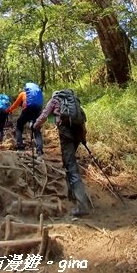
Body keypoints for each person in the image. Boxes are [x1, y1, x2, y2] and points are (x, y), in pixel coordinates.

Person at [32, 89, 91, 217]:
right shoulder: (74, 102)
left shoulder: (55, 100)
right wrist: (83, 138)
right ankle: (72, 195)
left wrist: (35, 126)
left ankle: (83, 206)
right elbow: (82, 119)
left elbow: (44, 115)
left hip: (66, 133)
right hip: (78, 134)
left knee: (71, 166)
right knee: (68, 162)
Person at [7, 82, 43, 156]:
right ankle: (39, 151)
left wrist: (9, 110)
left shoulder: (23, 94)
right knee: (37, 130)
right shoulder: (38, 95)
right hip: (36, 112)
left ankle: (20, 146)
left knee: (19, 125)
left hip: (27, 111)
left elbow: (16, 104)